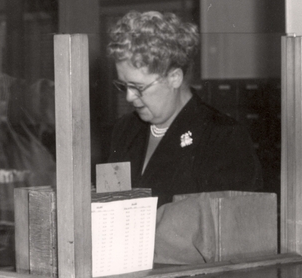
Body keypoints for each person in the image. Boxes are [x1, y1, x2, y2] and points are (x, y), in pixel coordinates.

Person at [105, 10, 262, 205]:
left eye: (138, 87)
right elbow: (110, 203)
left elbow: (229, 220)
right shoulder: (124, 131)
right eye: (124, 86)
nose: (129, 96)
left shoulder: (223, 138)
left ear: (174, 78)